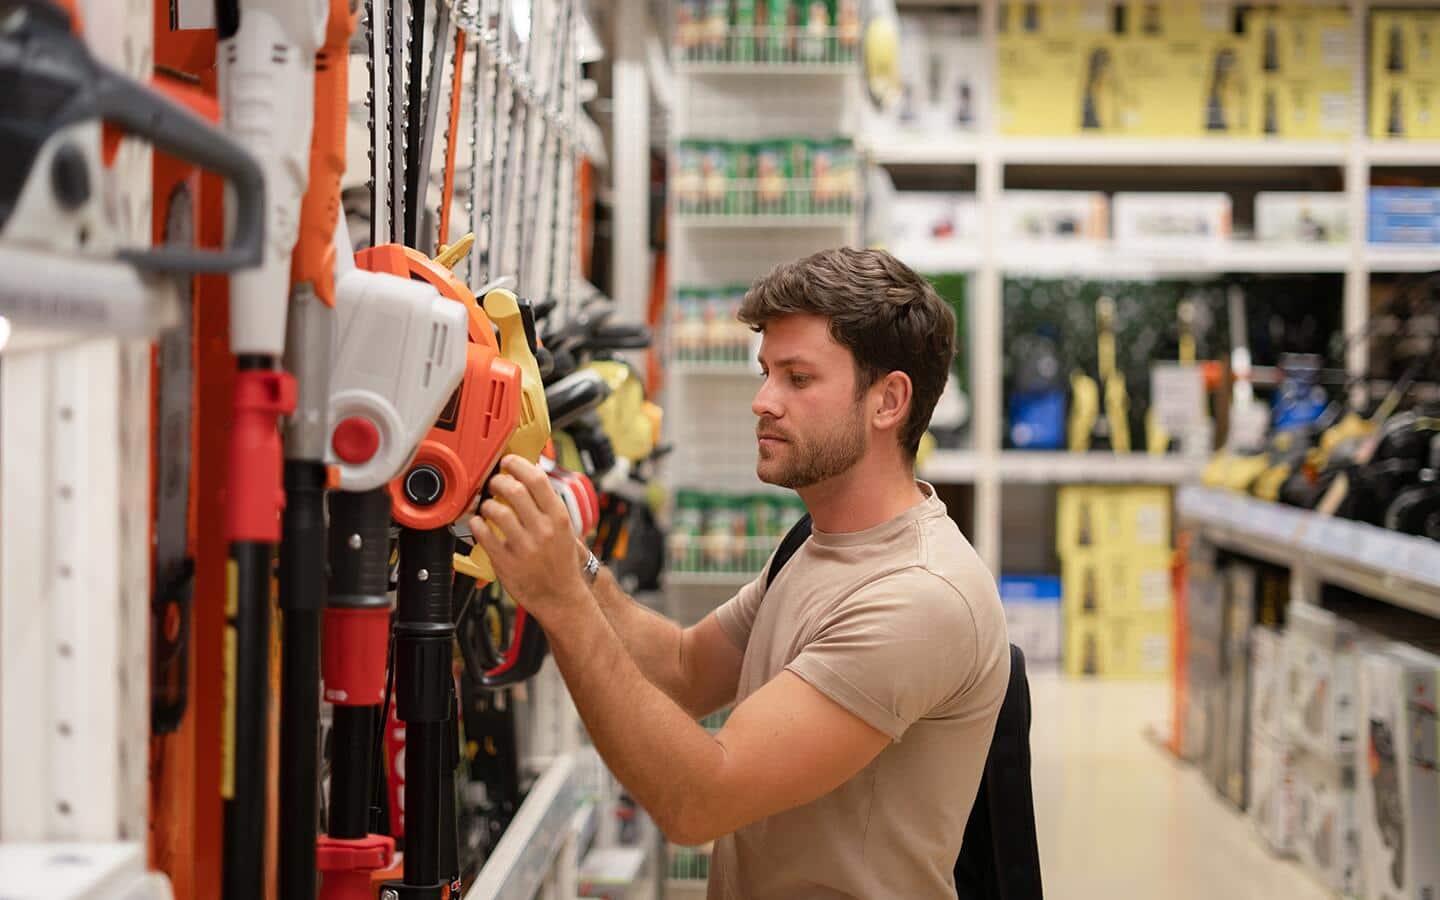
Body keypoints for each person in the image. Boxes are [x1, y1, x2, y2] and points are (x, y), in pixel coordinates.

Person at [471, 247, 1010, 899]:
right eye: (765, 373)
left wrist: (560, 601)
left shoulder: (918, 596)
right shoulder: (820, 543)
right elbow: (684, 670)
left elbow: (699, 800)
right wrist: (568, 561)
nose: (762, 401)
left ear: (888, 400)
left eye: (797, 378)